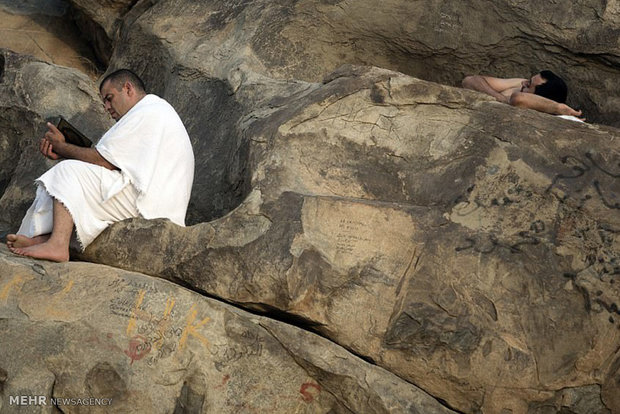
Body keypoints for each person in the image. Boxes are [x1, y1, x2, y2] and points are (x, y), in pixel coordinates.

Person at [6, 69, 195, 262]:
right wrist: (65, 149)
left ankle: (57, 245)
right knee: (67, 182)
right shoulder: (153, 110)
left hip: (150, 206)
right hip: (148, 200)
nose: (106, 107)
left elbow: (104, 161)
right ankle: (40, 239)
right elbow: (112, 163)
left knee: (67, 171)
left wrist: (63, 148)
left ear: (128, 88)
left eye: (109, 98)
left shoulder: (149, 110)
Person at [462, 70, 583, 118]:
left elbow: (517, 99)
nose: (524, 83)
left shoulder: (540, 108)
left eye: (529, 84)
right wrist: (501, 98)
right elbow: (470, 80)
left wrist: (556, 108)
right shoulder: (520, 84)